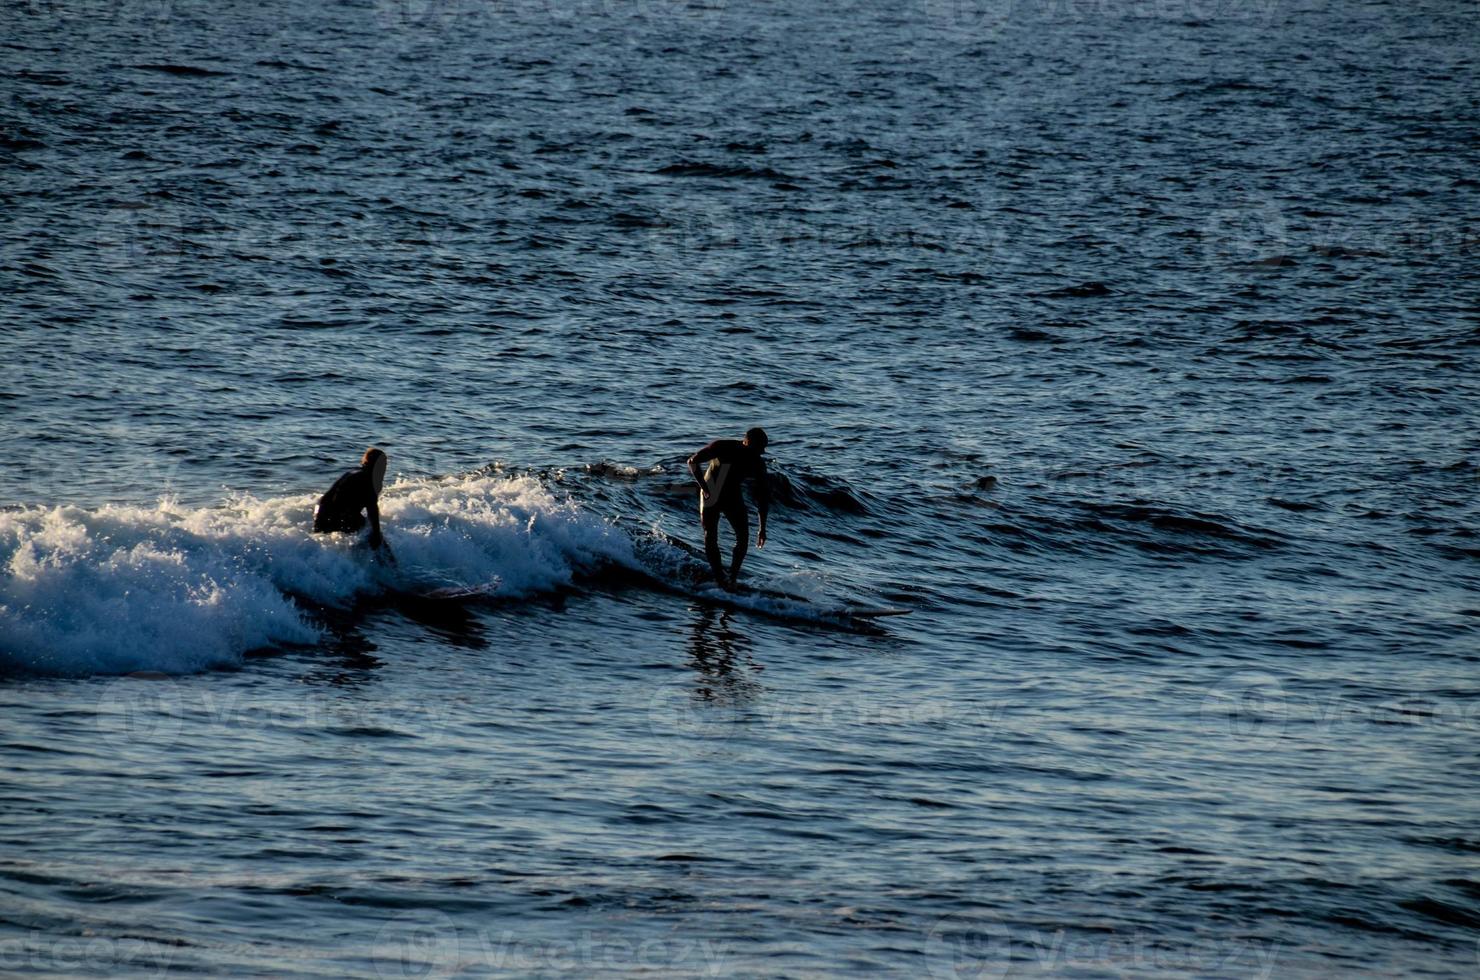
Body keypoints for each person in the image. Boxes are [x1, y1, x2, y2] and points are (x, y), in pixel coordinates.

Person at [686, 427, 770, 591]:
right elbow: (693, 461)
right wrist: (703, 487)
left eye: (761, 450)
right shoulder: (723, 446)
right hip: (711, 491)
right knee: (710, 534)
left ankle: (731, 578)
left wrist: (762, 528)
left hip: (732, 495)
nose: (759, 453)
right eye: (756, 449)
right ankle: (719, 577)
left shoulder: (757, 463)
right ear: (746, 442)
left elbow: (763, 496)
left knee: (743, 537)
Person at [313, 447, 389, 552]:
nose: (385, 468)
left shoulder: (354, 472)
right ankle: (388, 564)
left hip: (321, 512)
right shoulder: (368, 480)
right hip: (335, 515)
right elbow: (372, 510)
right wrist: (376, 535)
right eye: (383, 464)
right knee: (374, 536)